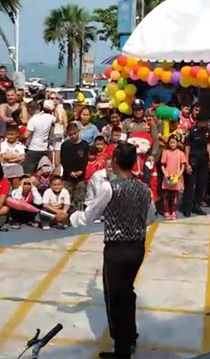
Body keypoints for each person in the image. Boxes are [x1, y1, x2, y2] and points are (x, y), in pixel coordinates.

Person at [55, 142, 156, 359]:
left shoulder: (108, 187)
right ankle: (130, 336)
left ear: (115, 161)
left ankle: (122, 350)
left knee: (115, 297)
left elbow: (87, 217)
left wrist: (68, 217)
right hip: (137, 247)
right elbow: (151, 217)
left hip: (116, 250)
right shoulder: (144, 188)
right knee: (127, 291)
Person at [183, 111, 210, 217]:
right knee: (190, 185)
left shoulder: (207, 130)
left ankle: (196, 205)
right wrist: (187, 163)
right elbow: (187, 147)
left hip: (203, 161)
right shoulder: (191, 131)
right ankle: (187, 207)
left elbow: (208, 144)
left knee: (201, 184)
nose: (206, 124)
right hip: (193, 160)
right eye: (205, 122)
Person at [23, 99, 56, 175]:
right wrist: (53, 108)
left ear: (30, 109)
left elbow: (26, 135)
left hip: (33, 149)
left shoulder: (33, 120)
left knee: (28, 172)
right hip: (44, 149)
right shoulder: (49, 117)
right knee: (44, 172)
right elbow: (57, 119)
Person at [61, 123, 89, 210]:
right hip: (67, 177)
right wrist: (70, 172)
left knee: (80, 198)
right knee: (67, 198)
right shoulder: (65, 145)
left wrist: (81, 171)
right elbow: (63, 160)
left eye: (74, 133)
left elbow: (85, 160)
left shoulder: (84, 145)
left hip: (80, 177)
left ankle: (79, 216)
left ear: (78, 132)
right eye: (70, 134)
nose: (73, 136)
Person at [161, 134, 187, 219]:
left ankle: (173, 211)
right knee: (166, 195)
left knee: (175, 195)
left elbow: (183, 165)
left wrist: (179, 174)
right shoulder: (166, 152)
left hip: (176, 177)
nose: (172, 144)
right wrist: (166, 174)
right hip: (167, 177)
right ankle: (166, 211)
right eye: (171, 142)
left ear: (177, 143)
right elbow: (162, 165)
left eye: (174, 142)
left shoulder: (181, 153)